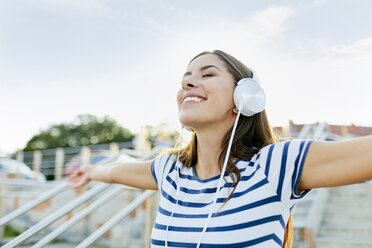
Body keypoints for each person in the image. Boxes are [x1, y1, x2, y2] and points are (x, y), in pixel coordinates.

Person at [68, 50, 372, 248]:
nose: (188, 83)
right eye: (185, 78)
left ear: (245, 98)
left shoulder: (275, 165)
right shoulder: (170, 171)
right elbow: (116, 171)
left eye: (206, 74)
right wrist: (91, 171)